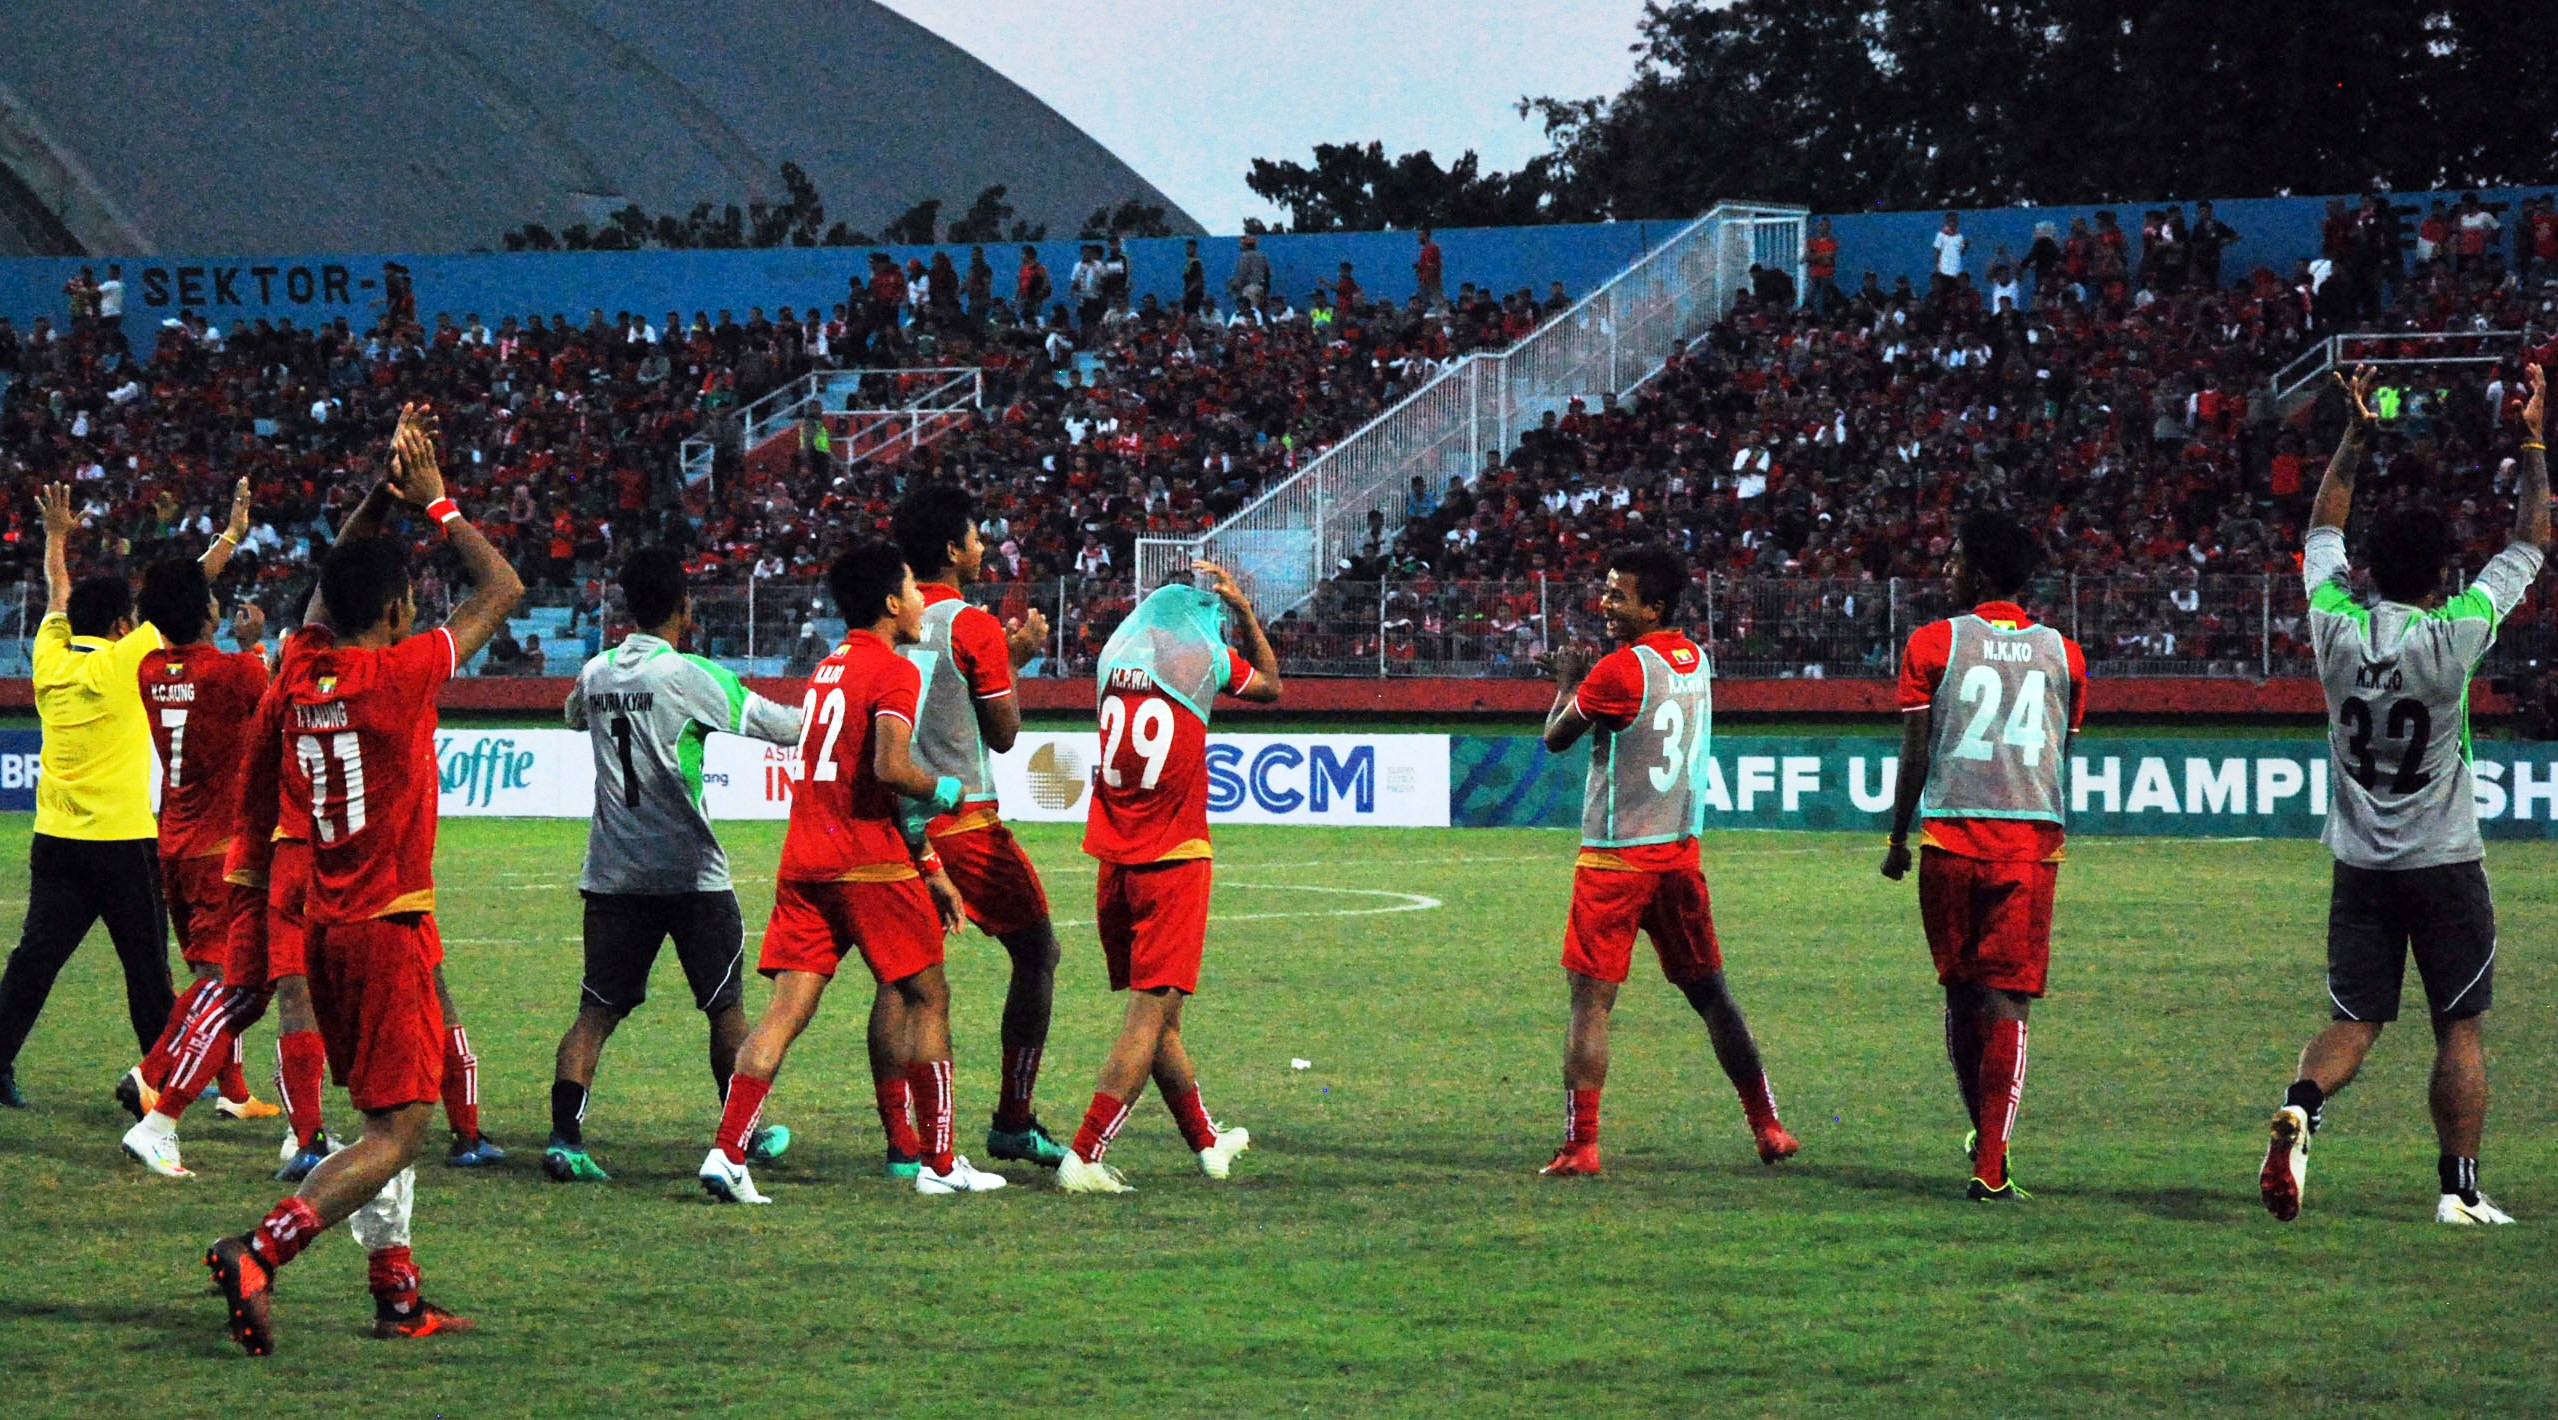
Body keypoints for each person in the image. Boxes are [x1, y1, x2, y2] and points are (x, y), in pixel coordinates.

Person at [204, 403, 525, 1355]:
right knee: (396, 1132)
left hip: (327, 921)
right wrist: (435, 503)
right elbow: (502, 587)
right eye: (406, 608)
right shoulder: (399, 676)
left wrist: (378, 499)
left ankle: (397, 1294)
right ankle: (262, 1250)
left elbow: (328, 589)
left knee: (387, 1114)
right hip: (389, 929)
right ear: (394, 615)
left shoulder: (301, 667)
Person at [2259, 365, 2549, 1227]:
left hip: (2359, 863)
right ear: (2441, 576)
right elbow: (2533, 537)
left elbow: (2321, 528)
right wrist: (2533, 436)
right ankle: (2458, 1190)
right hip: (2445, 860)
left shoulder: (2333, 625)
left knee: (2354, 1022)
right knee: (2458, 1028)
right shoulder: (2453, 632)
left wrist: (2356, 434)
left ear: (2371, 569)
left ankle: (2302, 1107)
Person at [698, 541, 1000, 1203]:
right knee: (928, 997)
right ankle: (941, 1162)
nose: (923, 599)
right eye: (914, 590)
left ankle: (727, 1153)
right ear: (893, 604)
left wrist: (926, 863)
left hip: (804, 861)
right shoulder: (893, 670)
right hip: (865, 862)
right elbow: (891, 770)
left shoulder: (828, 668)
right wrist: (945, 790)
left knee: (784, 1013)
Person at [1533, 546, 1797, 1178]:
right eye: (1605, 591)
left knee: (1590, 1003)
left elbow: (1555, 738)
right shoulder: (1696, 660)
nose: (1605, 603)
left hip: (1617, 861)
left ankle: (1581, 1146)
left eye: (1618, 595)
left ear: (1654, 606)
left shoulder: (1619, 671)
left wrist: (1568, 677)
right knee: (1712, 995)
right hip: (1678, 855)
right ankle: (1768, 1125)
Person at [544, 548, 805, 1183]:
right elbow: (784, 727)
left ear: (627, 607)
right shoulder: (689, 674)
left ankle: (563, 1138)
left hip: (613, 872)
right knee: (726, 1009)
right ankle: (739, 1133)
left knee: (594, 1012)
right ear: (684, 610)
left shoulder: (596, 672)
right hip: (690, 874)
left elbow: (575, 718)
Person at [1879, 511, 2087, 1202]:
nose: (1946, 568)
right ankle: (1992, 1160)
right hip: (2027, 841)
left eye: (1956, 557)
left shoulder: (1934, 643)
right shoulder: (2065, 653)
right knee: (2008, 998)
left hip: (1948, 840)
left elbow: (1915, 750)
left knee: (1962, 991)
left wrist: (1896, 836)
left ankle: (1984, 1135)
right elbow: (2063, 752)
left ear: (1984, 572)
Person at [1054, 563, 1278, 1194]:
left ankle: (1207, 1143)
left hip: (1114, 861)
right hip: (1174, 860)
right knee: (1146, 1019)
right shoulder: (1200, 662)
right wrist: (1245, 613)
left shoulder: (1113, 658)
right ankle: (1086, 1154)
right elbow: (1271, 687)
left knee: (1163, 1020)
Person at [0, 478, 213, 1109]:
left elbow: (56, 595)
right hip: (121, 842)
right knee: (146, 967)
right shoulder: (125, 664)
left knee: (35, 959)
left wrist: (56, 538)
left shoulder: (49, 659)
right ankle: (166, 1076)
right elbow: (178, 604)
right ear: (125, 624)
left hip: (56, 841)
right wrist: (223, 541)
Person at [890, 484, 1066, 1173]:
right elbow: (1003, 734)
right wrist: (1012, 658)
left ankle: (902, 1144)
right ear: (950, 550)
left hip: (897, 823)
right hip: (963, 824)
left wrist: (1004, 659)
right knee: (1038, 953)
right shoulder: (972, 624)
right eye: (974, 536)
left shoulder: (893, 620)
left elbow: (926, 700)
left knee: (902, 983)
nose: (982, 546)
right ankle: (1014, 1119)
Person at [116, 559, 281, 1177]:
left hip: (173, 846)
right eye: (213, 596)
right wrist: (256, 644)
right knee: (228, 987)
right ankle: (150, 1076)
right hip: (221, 851)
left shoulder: (148, 669)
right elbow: (271, 707)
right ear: (207, 611)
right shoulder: (233, 671)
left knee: (213, 974)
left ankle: (233, 1092)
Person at [1930, 212, 1968, 302]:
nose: (1953, 222)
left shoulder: (1960, 236)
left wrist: (1965, 247)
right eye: (1950, 220)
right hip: (1944, 272)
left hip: (1956, 272)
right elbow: (1937, 252)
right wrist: (1937, 268)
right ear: (1946, 221)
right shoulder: (1940, 235)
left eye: (1955, 220)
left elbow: (1960, 253)